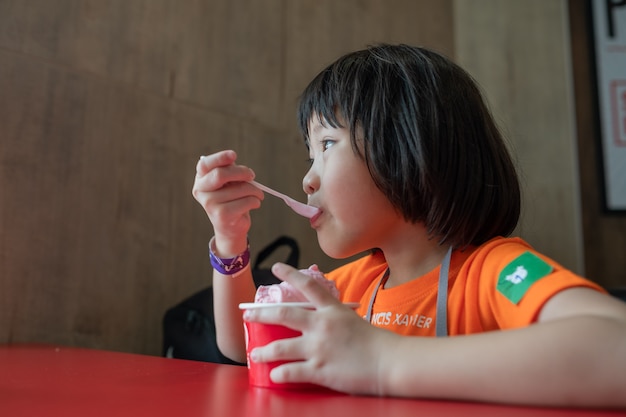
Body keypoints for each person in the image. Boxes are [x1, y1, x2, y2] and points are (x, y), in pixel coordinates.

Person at [192, 44, 626, 407]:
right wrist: (230, 242)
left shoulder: (493, 272)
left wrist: (384, 361)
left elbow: (615, 348)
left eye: (327, 144)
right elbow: (248, 348)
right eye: (311, 154)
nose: (308, 179)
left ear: (412, 151)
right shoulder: (356, 285)